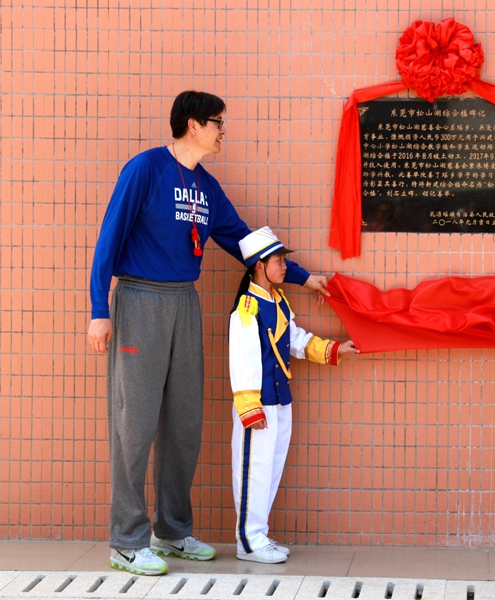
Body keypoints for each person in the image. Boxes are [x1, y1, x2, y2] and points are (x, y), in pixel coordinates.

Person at [87, 91, 329, 576]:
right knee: (135, 423)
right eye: (218, 122)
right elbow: (109, 237)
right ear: (193, 125)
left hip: (185, 301)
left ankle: (172, 531)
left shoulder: (206, 186)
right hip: (140, 299)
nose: (223, 131)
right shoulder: (145, 169)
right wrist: (99, 308)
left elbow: (244, 242)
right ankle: (127, 541)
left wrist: (303, 278)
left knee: (184, 422)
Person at [229, 227, 357, 563]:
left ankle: (259, 536)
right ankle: (249, 541)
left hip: (280, 400)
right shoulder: (247, 308)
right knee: (253, 472)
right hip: (258, 404)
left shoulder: (278, 301)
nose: (285, 266)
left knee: (269, 471)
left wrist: (335, 349)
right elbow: (242, 359)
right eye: (279, 260)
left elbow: (296, 340)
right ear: (260, 266)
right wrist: (250, 408)